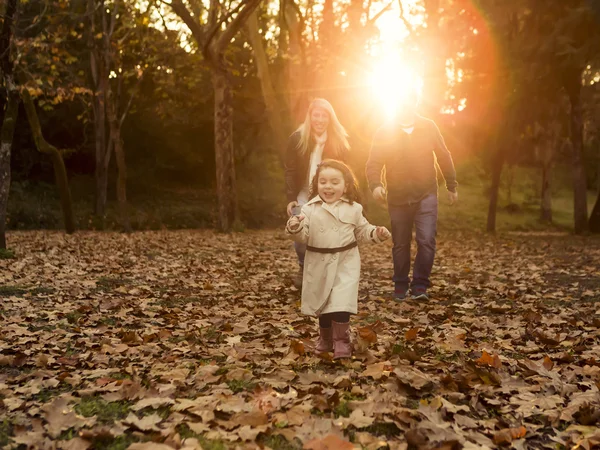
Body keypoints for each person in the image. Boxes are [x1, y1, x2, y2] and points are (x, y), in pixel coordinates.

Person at [286, 159, 390, 359]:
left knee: (341, 302)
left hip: (345, 261)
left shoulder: (354, 209)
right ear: (316, 184)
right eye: (323, 181)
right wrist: (294, 227)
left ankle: (341, 340)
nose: (328, 186)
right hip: (318, 261)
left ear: (346, 186)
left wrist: (376, 233)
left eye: (335, 182)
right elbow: (303, 235)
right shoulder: (309, 209)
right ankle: (325, 339)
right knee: (323, 304)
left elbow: (362, 231)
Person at [366, 88, 458, 301]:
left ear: (415, 102)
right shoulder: (384, 131)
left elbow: (444, 156)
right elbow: (373, 162)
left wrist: (451, 185)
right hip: (397, 197)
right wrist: (376, 185)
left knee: (426, 240)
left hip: (426, 193)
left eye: (409, 100)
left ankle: (420, 286)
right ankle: (400, 284)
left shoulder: (428, 126)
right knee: (401, 243)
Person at [284, 98, 350, 288]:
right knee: (299, 234)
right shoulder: (297, 138)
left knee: (327, 238)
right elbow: (290, 170)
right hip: (303, 195)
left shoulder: (339, 141)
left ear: (330, 118)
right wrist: (290, 198)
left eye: (324, 115)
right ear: (310, 117)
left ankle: (326, 277)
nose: (320, 120)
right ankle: (304, 267)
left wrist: (345, 198)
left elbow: (346, 173)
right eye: (316, 115)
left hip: (330, 197)